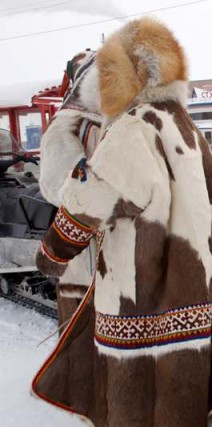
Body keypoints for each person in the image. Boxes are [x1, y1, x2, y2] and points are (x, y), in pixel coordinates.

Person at [33, 17, 212, 426]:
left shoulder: (132, 127)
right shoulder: (185, 126)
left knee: (132, 389)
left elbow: (91, 197)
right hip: (188, 290)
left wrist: (53, 252)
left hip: (139, 286)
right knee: (179, 384)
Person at [38, 49, 103, 327]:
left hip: (94, 263)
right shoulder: (73, 125)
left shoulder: (68, 125)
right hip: (94, 261)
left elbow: (65, 191)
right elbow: (68, 189)